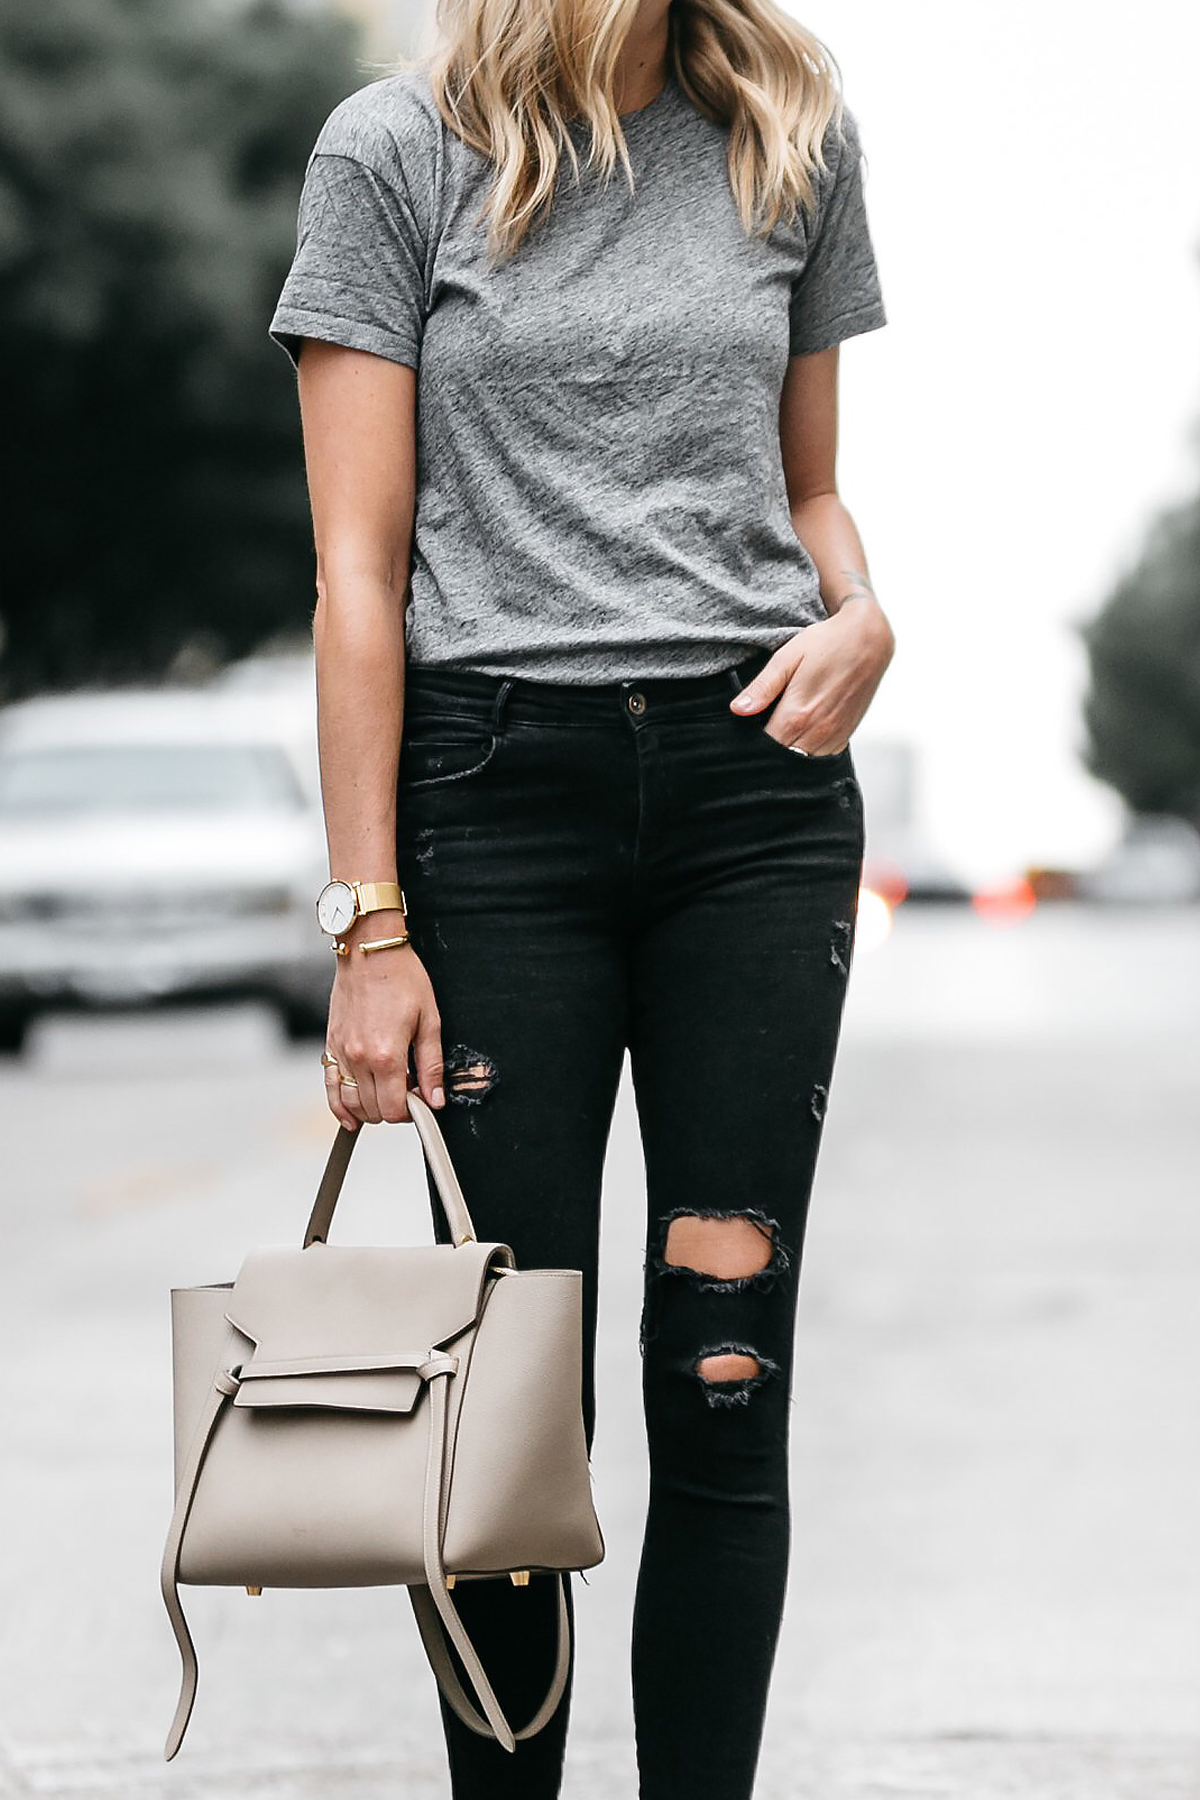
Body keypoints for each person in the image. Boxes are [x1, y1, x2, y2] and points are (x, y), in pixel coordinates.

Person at [267, 0, 894, 1792]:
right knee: (514, 1407)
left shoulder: (791, 129)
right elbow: (354, 572)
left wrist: (863, 613)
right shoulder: (390, 154)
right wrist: (366, 922)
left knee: (726, 1371)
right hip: (494, 805)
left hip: (755, 802)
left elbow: (812, 490)